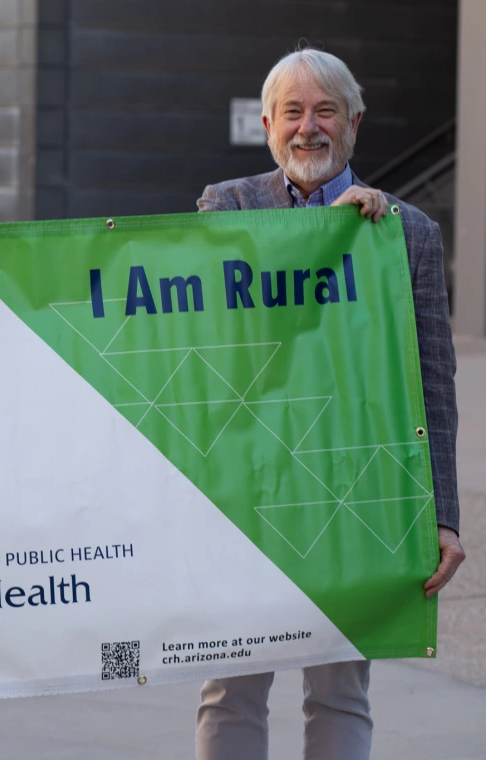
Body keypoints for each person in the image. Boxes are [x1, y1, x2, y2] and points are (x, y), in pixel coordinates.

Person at [194, 48, 465, 760]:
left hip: (360, 489)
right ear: (266, 124)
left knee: (341, 692)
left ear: (354, 124)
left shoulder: (407, 232)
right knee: (231, 688)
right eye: (292, 112)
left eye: (325, 112)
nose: (307, 128)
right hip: (248, 488)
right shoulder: (225, 206)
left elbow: (433, 378)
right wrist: (325, 238)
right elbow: (220, 335)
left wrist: (441, 515)